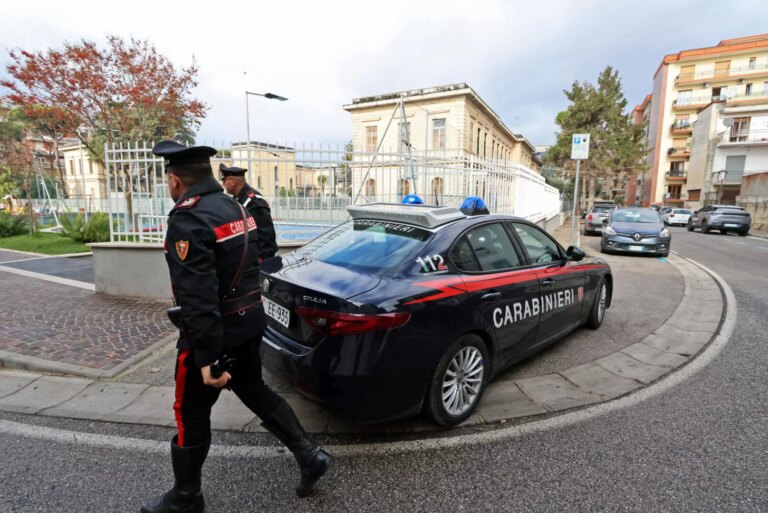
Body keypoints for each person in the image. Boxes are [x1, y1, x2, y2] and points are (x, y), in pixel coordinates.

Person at [141, 141, 331, 513]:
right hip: (249, 321)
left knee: (189, 411)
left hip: (215, 333)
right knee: (253, 389)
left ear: (175, 179)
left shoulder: (188, 217)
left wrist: (208, 358)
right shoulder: (232, 205)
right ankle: (310, 456)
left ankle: (185, 497)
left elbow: (197, 296)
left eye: (167, 179)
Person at [219, 164, 278, 261]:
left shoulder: (253, 202)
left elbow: (266, 234)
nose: (223, 184)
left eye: (224, 180)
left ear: (233, 182)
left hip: (258, 259)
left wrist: (263, 261)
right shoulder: (239, 198)